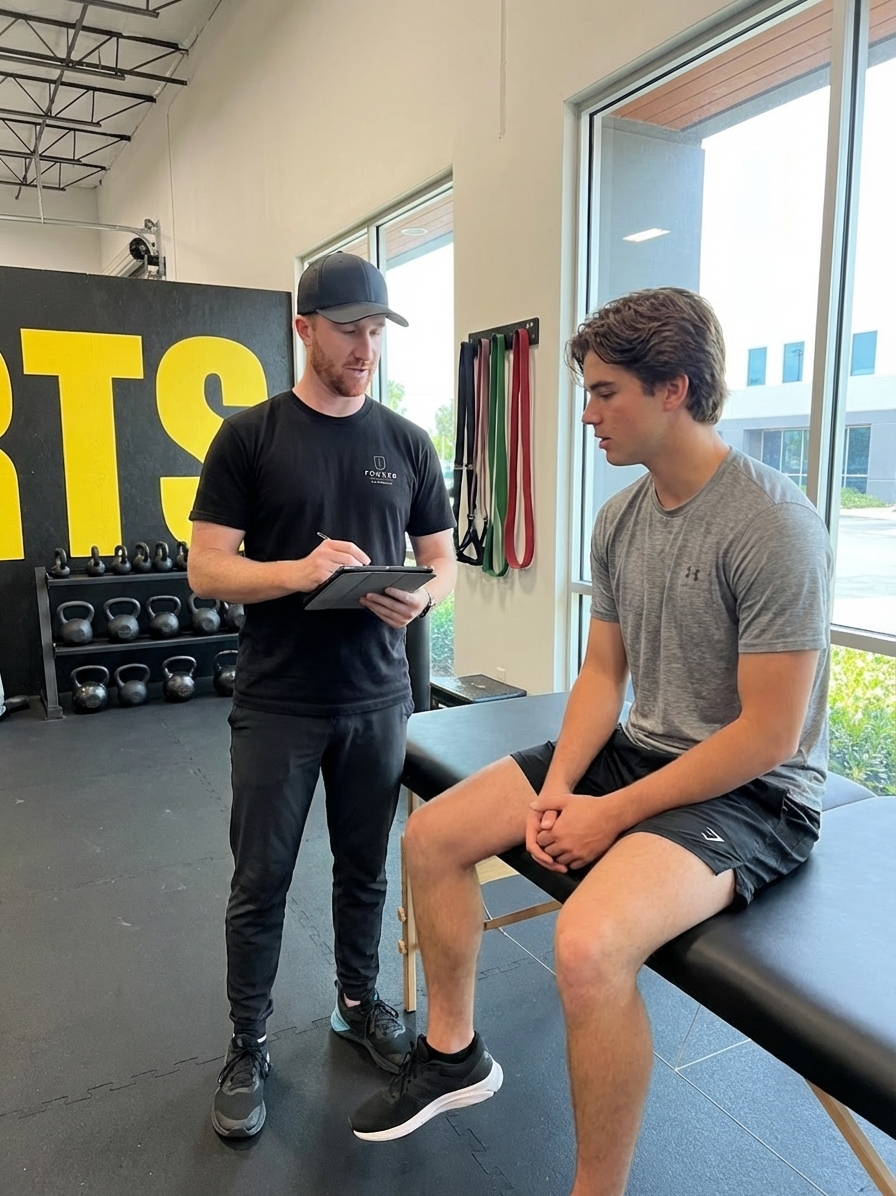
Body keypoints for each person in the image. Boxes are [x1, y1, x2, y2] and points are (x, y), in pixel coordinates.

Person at [350, 288, 832, 1196]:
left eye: (606, 392)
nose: (589, 413)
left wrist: (612, 813)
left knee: (586, 946)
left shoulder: (773, 525)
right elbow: (604, 678)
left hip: (757, 794)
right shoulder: (621, 519)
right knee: (433, 836)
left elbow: (769, 734)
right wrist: (560, 788)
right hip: (642, 752)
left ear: (675, 389)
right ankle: (453, 1054)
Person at [188, 251, 457, 1139]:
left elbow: (443, 559)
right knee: (260, 879)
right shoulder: (250, 436)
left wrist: (420, 594)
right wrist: (297, 571)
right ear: (304, 329)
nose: (366, 347)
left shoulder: (408, 441)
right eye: (350, 330)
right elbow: (206, 567)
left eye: (377, 330)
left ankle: (357, 1001)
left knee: (367, 870)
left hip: (377, 698)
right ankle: (247, 1041)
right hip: (278, 701)